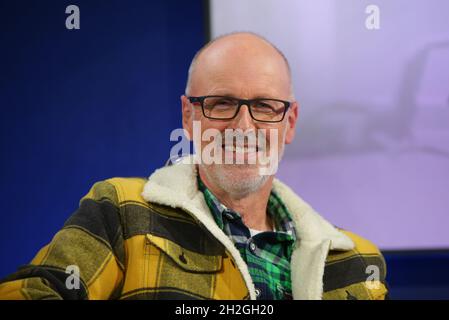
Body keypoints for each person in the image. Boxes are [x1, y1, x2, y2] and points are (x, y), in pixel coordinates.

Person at [0, 32, 388, 300]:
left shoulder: (357, 260)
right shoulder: (121, 212)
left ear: (289, 122)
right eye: (220, 103)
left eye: (265, 107)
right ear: (188, 117)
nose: (243, 127)